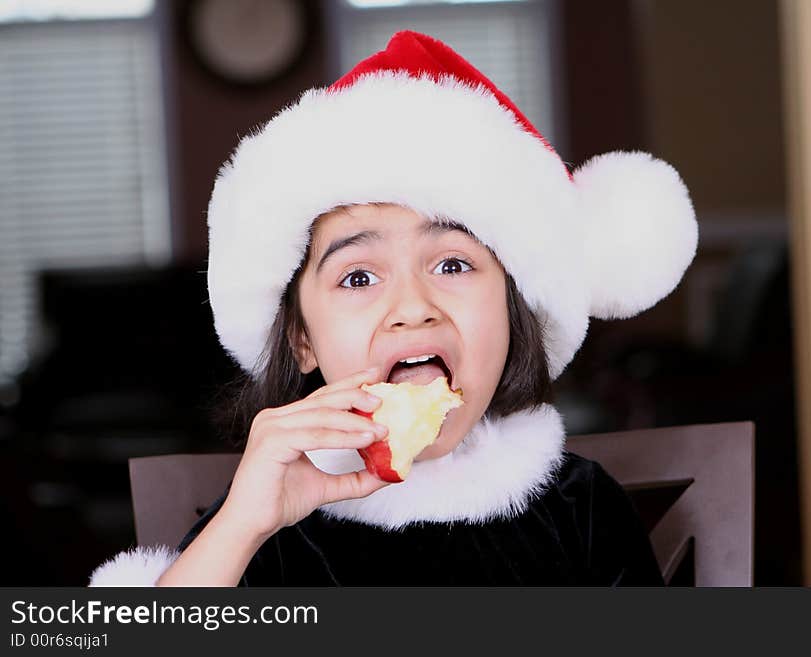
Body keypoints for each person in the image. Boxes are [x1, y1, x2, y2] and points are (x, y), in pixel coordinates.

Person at [89, 30, 697, 586]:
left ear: (516, 314)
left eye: (453, 265)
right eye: (358, 277)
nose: (412, 307)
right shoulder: (267, 524)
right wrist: (242, 524)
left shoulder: (582, 508)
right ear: (302, 339)